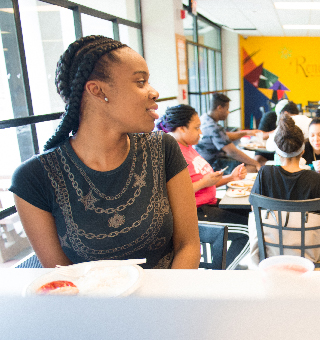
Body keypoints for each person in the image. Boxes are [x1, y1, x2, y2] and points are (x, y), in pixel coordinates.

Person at [9, 35, 200, 269]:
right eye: (141, 82)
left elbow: (188, 245)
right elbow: (61, 276)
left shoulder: (163, 148)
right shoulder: (34, 178)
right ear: (97, 91)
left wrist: (162, 305)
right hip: (89, 304)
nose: (154, 92)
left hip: (168, 297)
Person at [156, 104, 250, 269]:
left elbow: (206, 183)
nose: (201, 132)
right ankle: (222, 276)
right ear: (181, 128)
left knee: (252, 217)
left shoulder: (189, 148)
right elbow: (171, 194)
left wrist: (230, 177)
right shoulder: (172, 153)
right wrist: (204, 182)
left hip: (209, 205)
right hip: (196, 213)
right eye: (197, 128)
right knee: (248, 233)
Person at [248, 114, 320, 267]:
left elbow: (255, 210)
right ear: (303, 151)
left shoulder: (265, 173)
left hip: (270, 255)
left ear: (277, 152)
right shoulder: (315, 179)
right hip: (307, 258)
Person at [195, 93, 263, 174]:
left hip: (202, 162)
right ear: (219, 108)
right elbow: (233, 152)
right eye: (227, 109)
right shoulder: (213, 127)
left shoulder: (204, 119)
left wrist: (246, 132)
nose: (228, 112)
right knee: (252, 167)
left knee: (246, 160)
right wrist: (256, 163)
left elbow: (224, 136)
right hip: (212, 164)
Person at [254, 99, 288, 166]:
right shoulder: (269, 116)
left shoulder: (294, 119)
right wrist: (277, 131)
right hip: (266, 151)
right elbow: (260, 135)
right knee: (256, 161)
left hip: (285, 152)